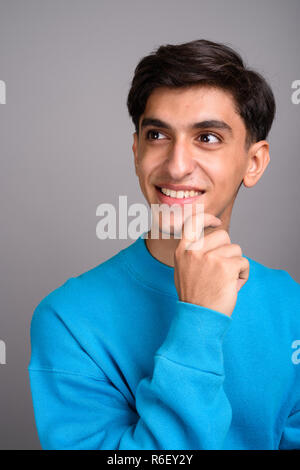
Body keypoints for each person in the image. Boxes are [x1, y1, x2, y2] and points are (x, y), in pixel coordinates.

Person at [28, 39, 300, 450]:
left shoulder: (291, 305)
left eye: (207, 138)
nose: (175, 165)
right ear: (137, 151)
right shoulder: (66, 319)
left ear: (254, 162)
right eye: (157, 135)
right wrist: (200, 319)